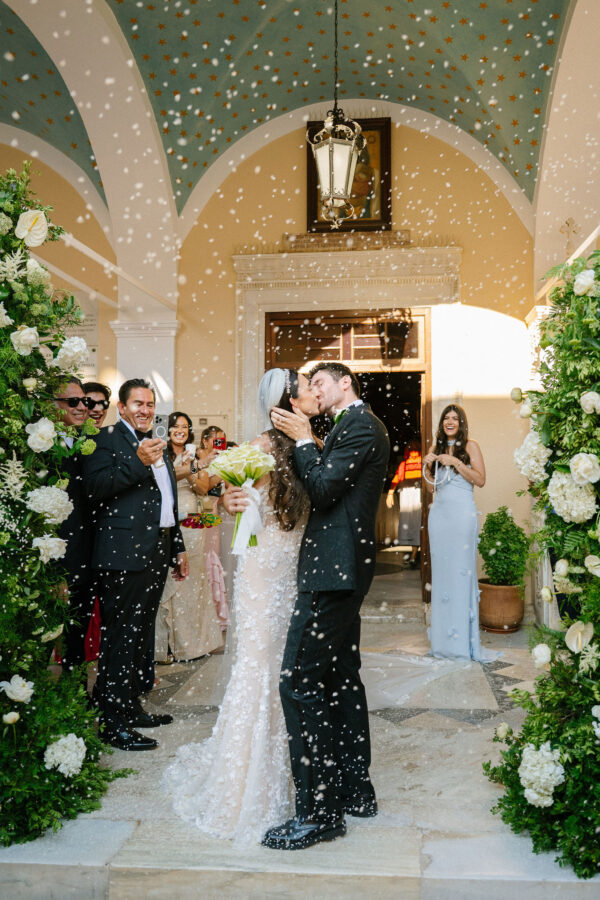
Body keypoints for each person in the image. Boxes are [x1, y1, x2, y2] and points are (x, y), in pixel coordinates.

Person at [163, 368, 319, 844]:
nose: (314, 392)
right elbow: (213, 481)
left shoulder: (306, 443)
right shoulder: (262, 445)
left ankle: (295, 768)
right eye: (306, 387)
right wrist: (231, 497)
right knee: (260, 662)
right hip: (263, 567)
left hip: (293, 566)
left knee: (286, 664)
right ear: (288, 401)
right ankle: (251, 773)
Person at [263, 361, 390, 850]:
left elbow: (323, 488)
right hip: (339, 567)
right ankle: (356, 790)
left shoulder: (360, 424)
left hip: (333, 573)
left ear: (345, 384)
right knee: (340, 678)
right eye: (307, 385)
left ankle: (318, 812)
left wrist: (301, 440)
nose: (313, 390)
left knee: (297, 683)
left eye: (320, 382)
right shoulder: (350, 425)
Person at [82, 378, 188, 751]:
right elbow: (95, 488)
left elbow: (166, 501)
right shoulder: (105, 439)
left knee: (141, 635)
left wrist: (177, 546)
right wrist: (137, 460)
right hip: (122, 553)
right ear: (122, 407)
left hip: (156, 550)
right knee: (121, 638)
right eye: (137, 404)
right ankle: (112, 721)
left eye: (150, 404)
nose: (145, 410)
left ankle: (130, 706)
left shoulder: (159, 444)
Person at [423, 404, 496, 662]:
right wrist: (427, 465)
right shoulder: (435, 448)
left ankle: (463, 644)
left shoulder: (470, 446)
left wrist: (455, 462)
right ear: (442, 423)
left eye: (455, 418)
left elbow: (480, 479)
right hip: (439, 516)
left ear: (461, 423)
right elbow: (431, 489)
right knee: (442, 576)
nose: (450, 421)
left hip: (462, 515)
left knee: (461, 574)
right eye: (446, 418)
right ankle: (443, 643)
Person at [155, 411, 224, 662]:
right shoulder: (158, 451)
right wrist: (188, 467)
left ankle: (189, 643)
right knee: (165, 581)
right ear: (168, 429)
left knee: (191, 582)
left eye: (185, 426)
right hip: (166, 520)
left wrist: (194, 469)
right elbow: (163, 479)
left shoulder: (194, 454)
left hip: (192, 523)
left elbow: (203, 488)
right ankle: (164, 645)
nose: (180, 430)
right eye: (175, 426)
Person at [54, 377, 96, 676]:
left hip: (88, 555)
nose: (83, 407)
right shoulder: (39, 450)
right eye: (73, 402)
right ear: (52, 405)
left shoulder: (90, 445)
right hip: (56, 560)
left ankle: (76, 695)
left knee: (77, 637)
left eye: (85, 401)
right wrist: (55, 572)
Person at [82, 381, 111, 664]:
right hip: (75, 537)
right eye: (90, 403)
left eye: (103, 404)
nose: (97, 409)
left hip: (103, 537)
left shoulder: (109, 439)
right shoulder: (67, 441)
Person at [386, 438, 422, 567]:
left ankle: (414, 555)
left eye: (414, 449)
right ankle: (413, 555)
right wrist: (390, 493)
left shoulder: (422, 464)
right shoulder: (404, 465)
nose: (413, 452)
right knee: (412, 524)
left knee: (416, 524)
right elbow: (396, 479)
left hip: (417, 495)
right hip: (408, 495)